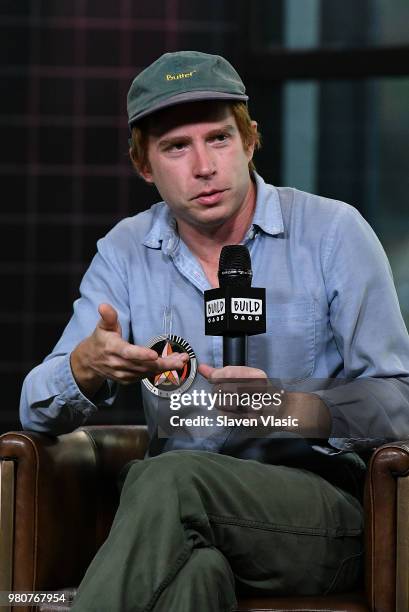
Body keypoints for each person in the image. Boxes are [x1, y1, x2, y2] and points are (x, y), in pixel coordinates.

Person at [20, 51, 409, 611]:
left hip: (318, 516)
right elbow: (36, 410)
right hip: (177, 520)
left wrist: (283, 407)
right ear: (144, 166)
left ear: (250, 141)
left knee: (165, 480)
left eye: (219, 139)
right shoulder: (126, 251)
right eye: (177, 147)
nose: (204, 166)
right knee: (192, 578)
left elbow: (398, 403)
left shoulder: (332, 233)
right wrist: (85, 367)